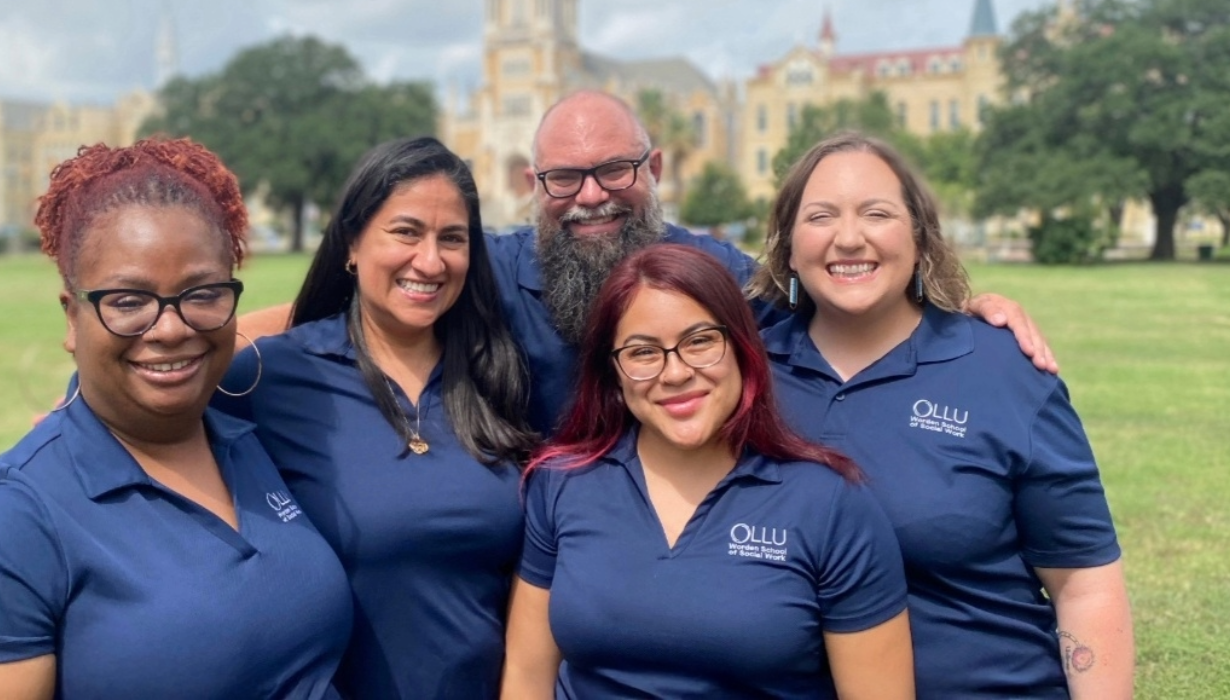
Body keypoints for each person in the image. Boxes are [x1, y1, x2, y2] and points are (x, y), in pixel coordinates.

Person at [241, 90, 1056, 434]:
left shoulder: (721, 278)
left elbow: (843, 299)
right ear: (536, 185)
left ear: (655, 171)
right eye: (565, 177)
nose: (591, 195)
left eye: (616, 171)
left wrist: (969, 308)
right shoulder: (492, 268)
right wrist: (206, 331)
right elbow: (376, 302)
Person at [749, 133, 1134, 699]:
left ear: (920, 235)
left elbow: (1083, 582)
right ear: (787, 246)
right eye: (821, 216)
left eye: (877, 213)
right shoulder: (739, 374)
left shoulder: (1004, 369)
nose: (848, 238)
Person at [0, 139, 352, 698]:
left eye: (202, 293)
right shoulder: (22, 512)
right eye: (126, 301)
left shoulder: (244, 432)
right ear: (72, 317)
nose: (170, 329)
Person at [502, 244, 915, 699]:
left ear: (741, 347)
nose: (675, 372)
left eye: (700, 341)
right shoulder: (561, 483)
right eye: (642, 352)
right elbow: (526, 678)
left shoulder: (830, 505)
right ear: (613, 372)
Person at [213, 136, 539, 699]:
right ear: (351, 244)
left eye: (452, 239)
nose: (431, 261)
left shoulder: (498, 375)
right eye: (406, 232)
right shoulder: (270, 378)